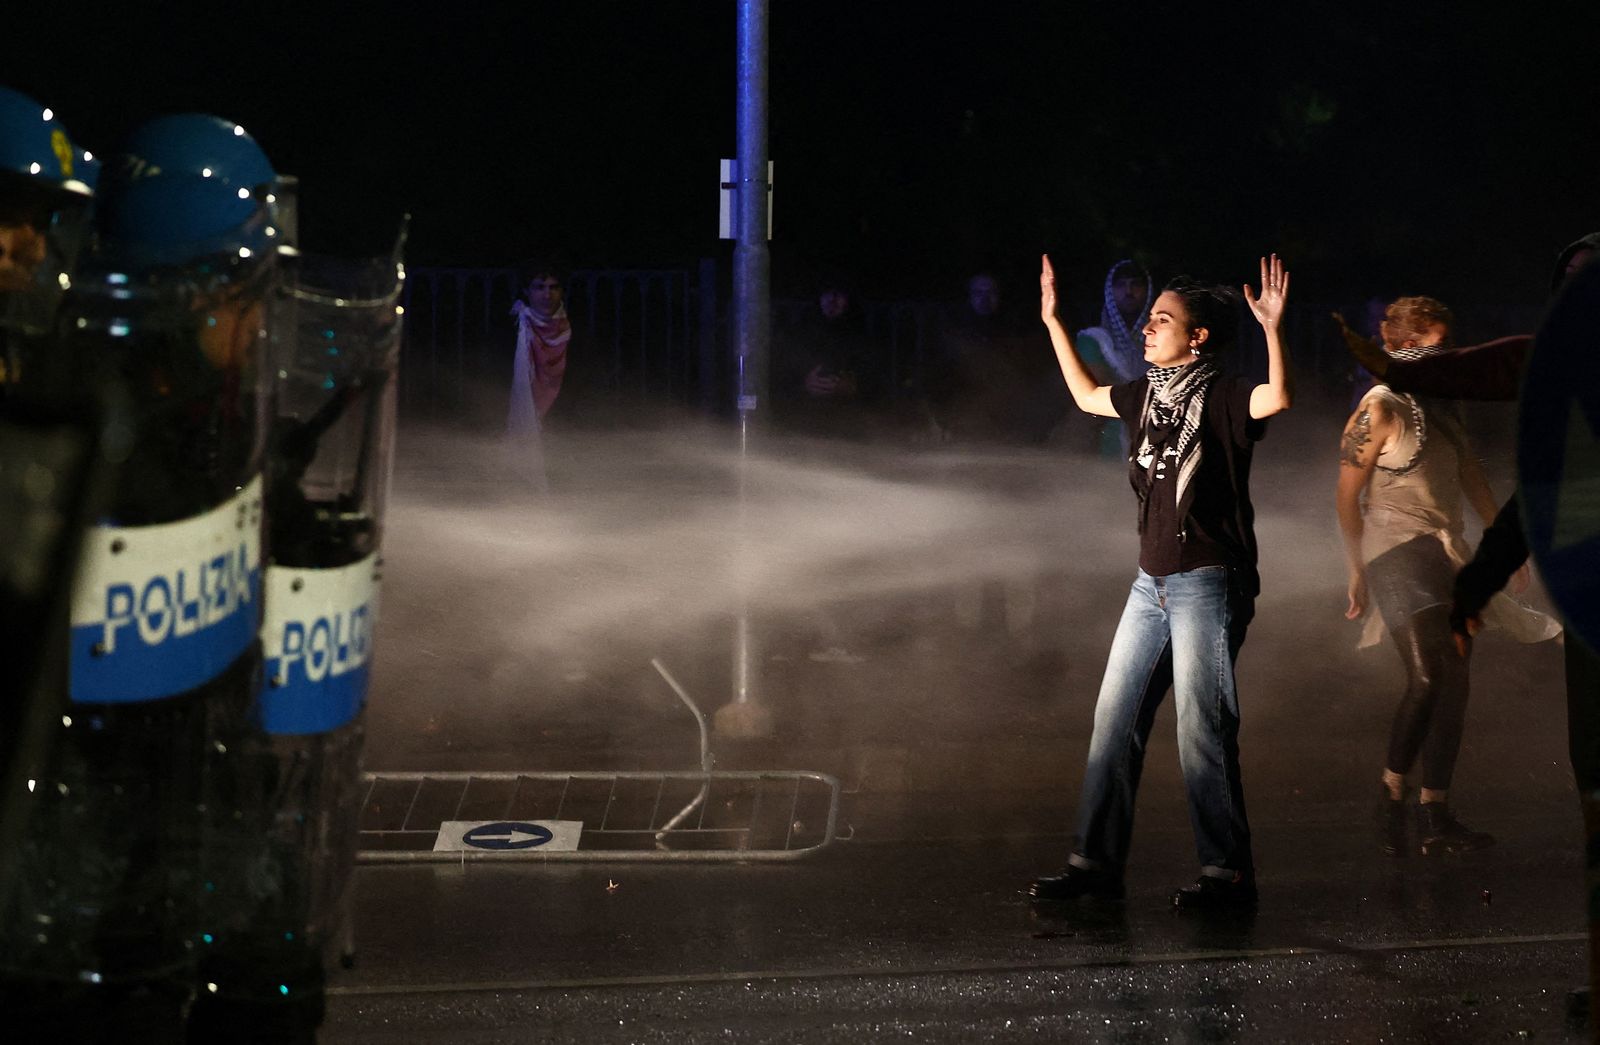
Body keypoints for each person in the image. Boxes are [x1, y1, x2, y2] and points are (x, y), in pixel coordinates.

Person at [1028, 253, 1292, 910]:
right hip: (1151, 584)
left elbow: (1277, 397)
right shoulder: (1146, 394)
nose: (1147, 328)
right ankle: (1093, 865)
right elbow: (1087, 396)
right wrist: (1053, 320)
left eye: (1162, 321)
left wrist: (1271, 328)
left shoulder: (1227, 394)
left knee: (1201, 727)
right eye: (1147, 320)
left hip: (1209, 579)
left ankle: (1227, 875)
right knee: (1114, 721)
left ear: (1197, 335)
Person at [1335, 296, 1558, 858]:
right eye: (1434, 348)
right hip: (1394, 549)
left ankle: (1435, 811)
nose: (1445, 358)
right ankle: (1390, 793)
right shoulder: (1378, 408)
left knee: (1456, 682)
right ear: (1405, 349)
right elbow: (1346, 495)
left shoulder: (1444, 406)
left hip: (1447, 552)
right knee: (1431, 676)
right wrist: (1356, 568)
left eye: (1446, 348)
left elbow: (1471, 479)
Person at [771, 275, 880, 440]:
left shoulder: (858, 335)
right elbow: (779, 377)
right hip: (805, 416)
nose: (833, 300)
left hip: (847, 418)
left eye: (839, 295)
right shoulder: (801, 331)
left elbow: (876, 380)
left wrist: (852, 386)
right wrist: (804, 384)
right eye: (827, 294)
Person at [1072, 259, 1154, 456]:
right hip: (1109, 442)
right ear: (1110, 292)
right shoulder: (1093, 340)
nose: (1129, 291)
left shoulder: (1163, 341)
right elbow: (1098, 389)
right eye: (1121, 285)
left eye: (1135, 284)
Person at [505, 264, 571, 488]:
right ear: (527, 291)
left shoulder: (570, 331)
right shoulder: (515, 325)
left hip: (562, 427)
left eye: (553, 287)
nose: (547, 294)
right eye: (539, 287)